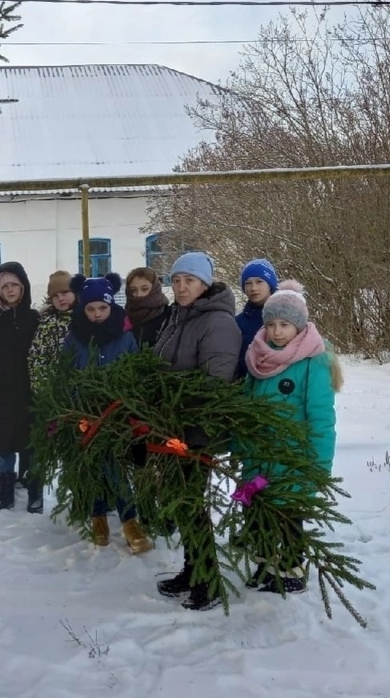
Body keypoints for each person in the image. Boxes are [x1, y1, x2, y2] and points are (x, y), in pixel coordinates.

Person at [153, 251, 241, 611]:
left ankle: (208, 579)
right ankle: (191, 569)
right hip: (171, 427)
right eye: (176, 280)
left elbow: (214, 383)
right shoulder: (177, 317)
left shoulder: (218, 323)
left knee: (191, 504)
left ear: (205, 283)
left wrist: (177, 410)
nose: (181, 286)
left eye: (189, 280)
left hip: (197, 430)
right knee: (181, 501)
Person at [242, 279, 342, 594]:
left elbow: (322, 420)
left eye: (285, 324)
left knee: (287, 514)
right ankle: (264, 564)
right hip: (258, 454)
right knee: (256, 510)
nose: (276, 331)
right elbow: (244, 406)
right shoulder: (258, 358)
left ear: (299, 325)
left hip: (292, 457)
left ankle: (291, 569)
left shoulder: (314, 362)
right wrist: (238, 444)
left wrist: (319, 466)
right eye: (271, 324)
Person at [63, 272, 153, 554]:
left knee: (113, 466)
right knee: (94, 465)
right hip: (85, 414)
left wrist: (128, 402)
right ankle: (102, 517)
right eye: (90, 309)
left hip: (116, 414)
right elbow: (66, 373)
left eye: (102, 308)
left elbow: (136, 370)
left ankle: (125, 519)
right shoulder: (74, 337)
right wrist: (75, 406)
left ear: (111, 305)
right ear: (83, 309)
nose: (97, 314)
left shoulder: (124, 336)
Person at [0, 262, 40, 512]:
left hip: (30, 392)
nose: (10, 290)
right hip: (1, 392)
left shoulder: (35, 319)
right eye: (5, 286)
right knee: (3, 446)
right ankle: (5, 493)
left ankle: (36, 493)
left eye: (14, 284)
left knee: (33, 445)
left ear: (23, 287)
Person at [25, 270, 75, 513]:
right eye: (55, 295)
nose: (61, 299)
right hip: (50, 399)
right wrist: (46, 391)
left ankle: (83, 494)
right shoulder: (47, 324)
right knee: (40, 449)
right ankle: (35, 493)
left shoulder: (86, 319)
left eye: (65, 293)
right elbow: (36, 359)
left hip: (79, 400)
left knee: (76, 451)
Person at [235, 258, 278, 379]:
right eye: (248, 283)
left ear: (270, 284)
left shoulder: (286, 318)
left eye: (259, 282)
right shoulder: (237, 322)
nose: (253, 288)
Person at [124, 267, 171, 348]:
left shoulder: (169, 315)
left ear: (155, 288)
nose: (139, 295)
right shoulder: (122, 317)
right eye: (133, 290)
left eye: (145, 289)